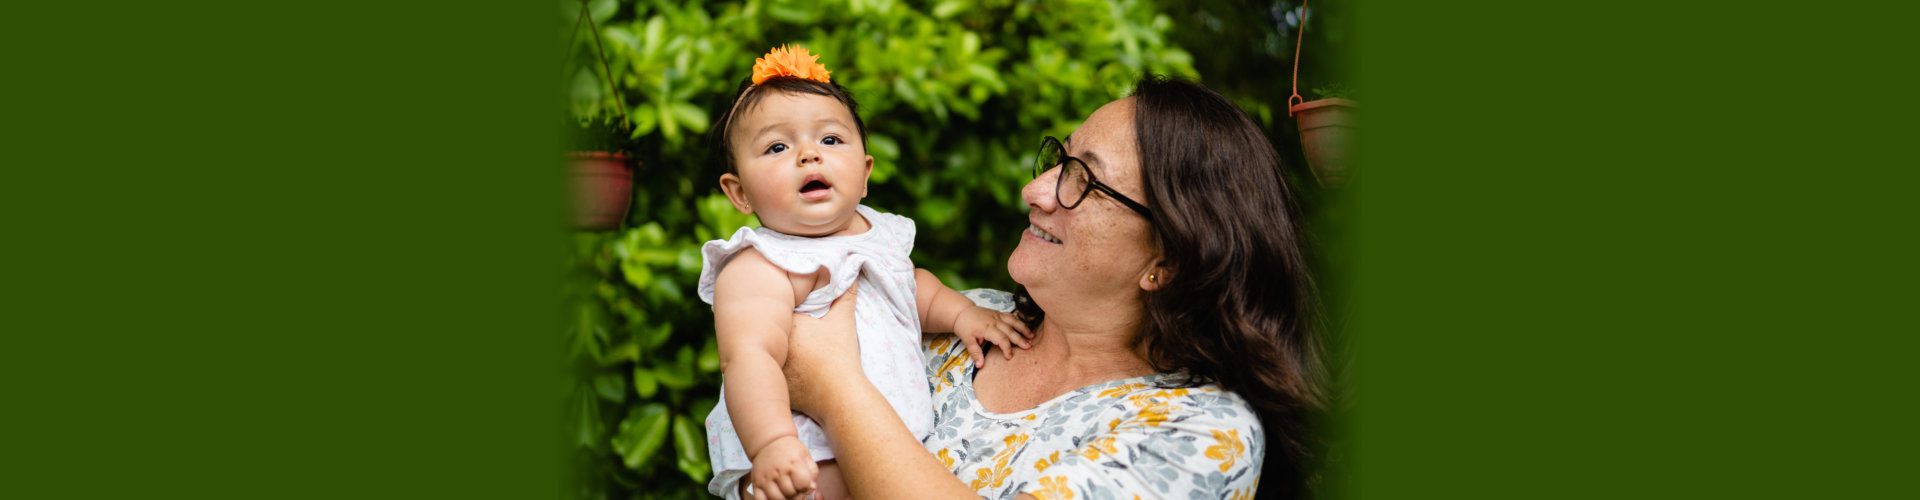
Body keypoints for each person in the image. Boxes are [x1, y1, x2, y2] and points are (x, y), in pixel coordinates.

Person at [780, 76, 1328, 500]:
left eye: (1083, 181)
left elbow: (817, 365)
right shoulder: (962, 321)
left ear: (1166, 260)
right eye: (1060, 159)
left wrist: (835, 390)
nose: (1035, 190)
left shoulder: (1202, 434)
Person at [697, 45, 1035, 500]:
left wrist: (962, 316)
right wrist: (773, 444)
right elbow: (748, 357)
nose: (809, 155)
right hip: (807, 453)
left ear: (865, 174)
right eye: (778, 146)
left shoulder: (879, 235)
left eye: (830, 140)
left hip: (889, 442)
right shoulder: (762, 263)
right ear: (739, 194)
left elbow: (913, 287)